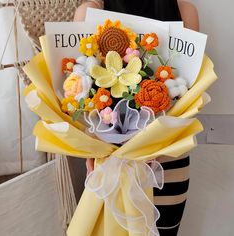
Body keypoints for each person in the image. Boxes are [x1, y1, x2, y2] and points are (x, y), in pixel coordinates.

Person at [74, 1, 199, 235]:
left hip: (164, 164)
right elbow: (78, 92)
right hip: (110, 166)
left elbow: (190, 98)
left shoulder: (185, 10)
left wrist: (149, 150)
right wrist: (93, 146)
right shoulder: (89, 10)